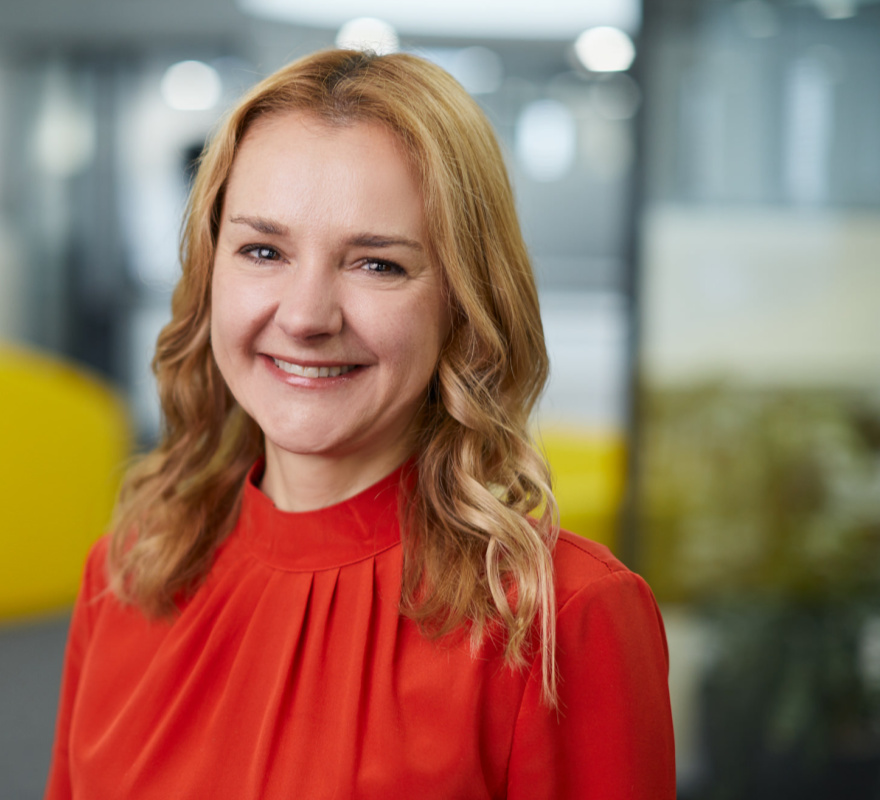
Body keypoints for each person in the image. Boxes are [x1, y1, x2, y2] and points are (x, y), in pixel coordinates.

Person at [45, 49, 674, 799]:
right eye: (263, 250)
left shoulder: (562, 617)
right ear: (210, 272)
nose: (306, 317)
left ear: (463, 302)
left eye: (377, 264)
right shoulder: (129, 570)